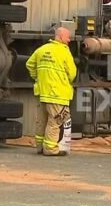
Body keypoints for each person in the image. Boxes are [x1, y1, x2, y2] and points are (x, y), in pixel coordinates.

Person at [25, 26, 77, 156]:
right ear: (61, 37)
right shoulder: (64, 52)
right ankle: (50, 148)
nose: (69, 40)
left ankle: (39, 146)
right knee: (55, 121)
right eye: (68, 37)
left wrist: (38, 77)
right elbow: (72, 74)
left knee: (42, 120)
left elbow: (29, 64)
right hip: (58, 94)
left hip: (43, 93)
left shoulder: (41, 50)